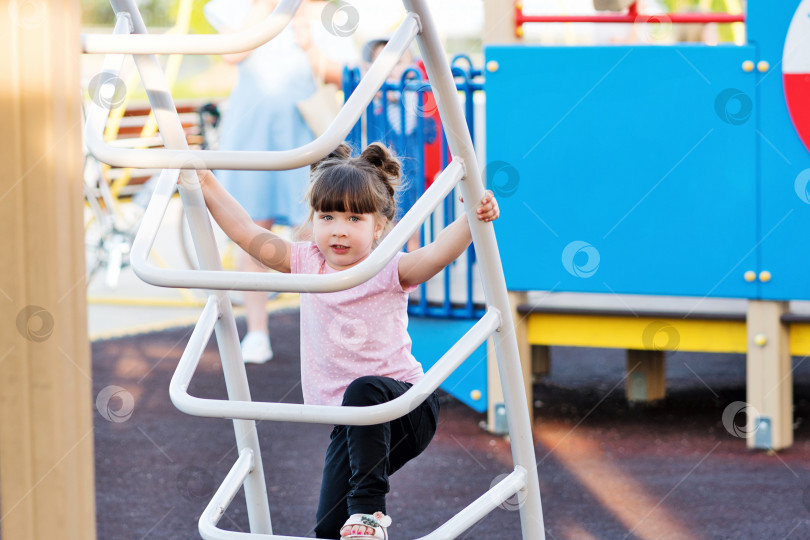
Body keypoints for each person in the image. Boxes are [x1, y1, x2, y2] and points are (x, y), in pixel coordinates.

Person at [194, 142, 499, 538]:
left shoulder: (387, 266)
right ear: (313, 219)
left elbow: (437, 255)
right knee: (328, 528)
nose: (338, 228)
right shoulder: (305, 262)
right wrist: (204, 180)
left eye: (354, 218)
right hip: (353, 426)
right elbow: (247, 233)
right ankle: (360, 517)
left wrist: (470, 220)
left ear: (379, 226)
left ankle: (371, 512)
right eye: (327, 215)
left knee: (364, 390)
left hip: (407, 407)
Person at [204, 0, 356, 363]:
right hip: (253, 131)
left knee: (314, 228)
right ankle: (257, 331)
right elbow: (232, 53)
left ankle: (323, 331)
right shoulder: (238, 7)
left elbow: (345, 74)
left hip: (305, 132)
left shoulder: (326, 12)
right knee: (254, 227)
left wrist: (310, 44)